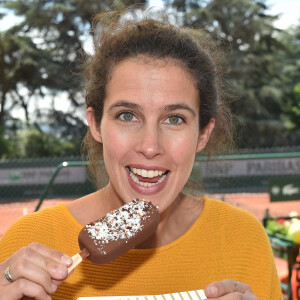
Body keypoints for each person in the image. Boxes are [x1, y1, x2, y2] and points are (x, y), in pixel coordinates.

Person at [0, 8, 283, 300]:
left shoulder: (244, 239)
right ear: (96, 124)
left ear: (202, 134)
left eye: (174, 119)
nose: (150, 146)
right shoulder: (27, 244)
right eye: (127, 115)